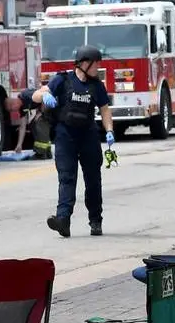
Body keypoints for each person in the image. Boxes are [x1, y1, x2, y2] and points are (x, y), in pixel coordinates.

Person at [32, 45, 115, 237]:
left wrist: (109, 130)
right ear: (85, 63)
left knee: (93, 180)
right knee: (67, 177)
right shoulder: (62, 80)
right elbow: (37, 95)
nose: (98, 68)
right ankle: (63, 220)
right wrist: (45, 95)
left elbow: (104, 109)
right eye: (96, 64)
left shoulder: (96, 85)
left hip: (88, 136)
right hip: (65, 136)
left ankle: (95, 220)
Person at [5, 89, 53, 159]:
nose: (13, 111)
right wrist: (19, 145)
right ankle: (47, 152)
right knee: (32, 124)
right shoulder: (22, 108)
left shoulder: (26, 96)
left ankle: (41, 153)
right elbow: (22, 127)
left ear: (13, 103)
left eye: (11, 109)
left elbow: (45, 94)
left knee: (39, 122)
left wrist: (41, 112)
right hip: (47, 105)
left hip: (53, 101)